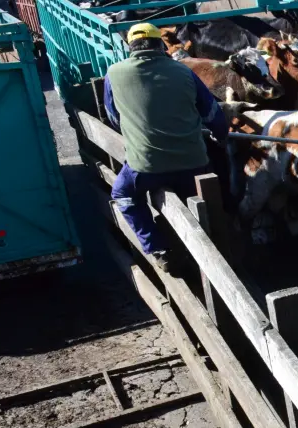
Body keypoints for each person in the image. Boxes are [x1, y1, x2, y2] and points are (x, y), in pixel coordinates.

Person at [104, 22, 228, 274]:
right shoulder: (183, 72)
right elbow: (212, 113)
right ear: (160, 45)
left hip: (144, 167)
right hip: (193, 163)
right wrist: (221, 135)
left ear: (130, 48)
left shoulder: (114, 73)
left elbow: (113, 117)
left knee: (123, 194)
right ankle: (211, 248)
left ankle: (158, 248)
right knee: (204, 194)